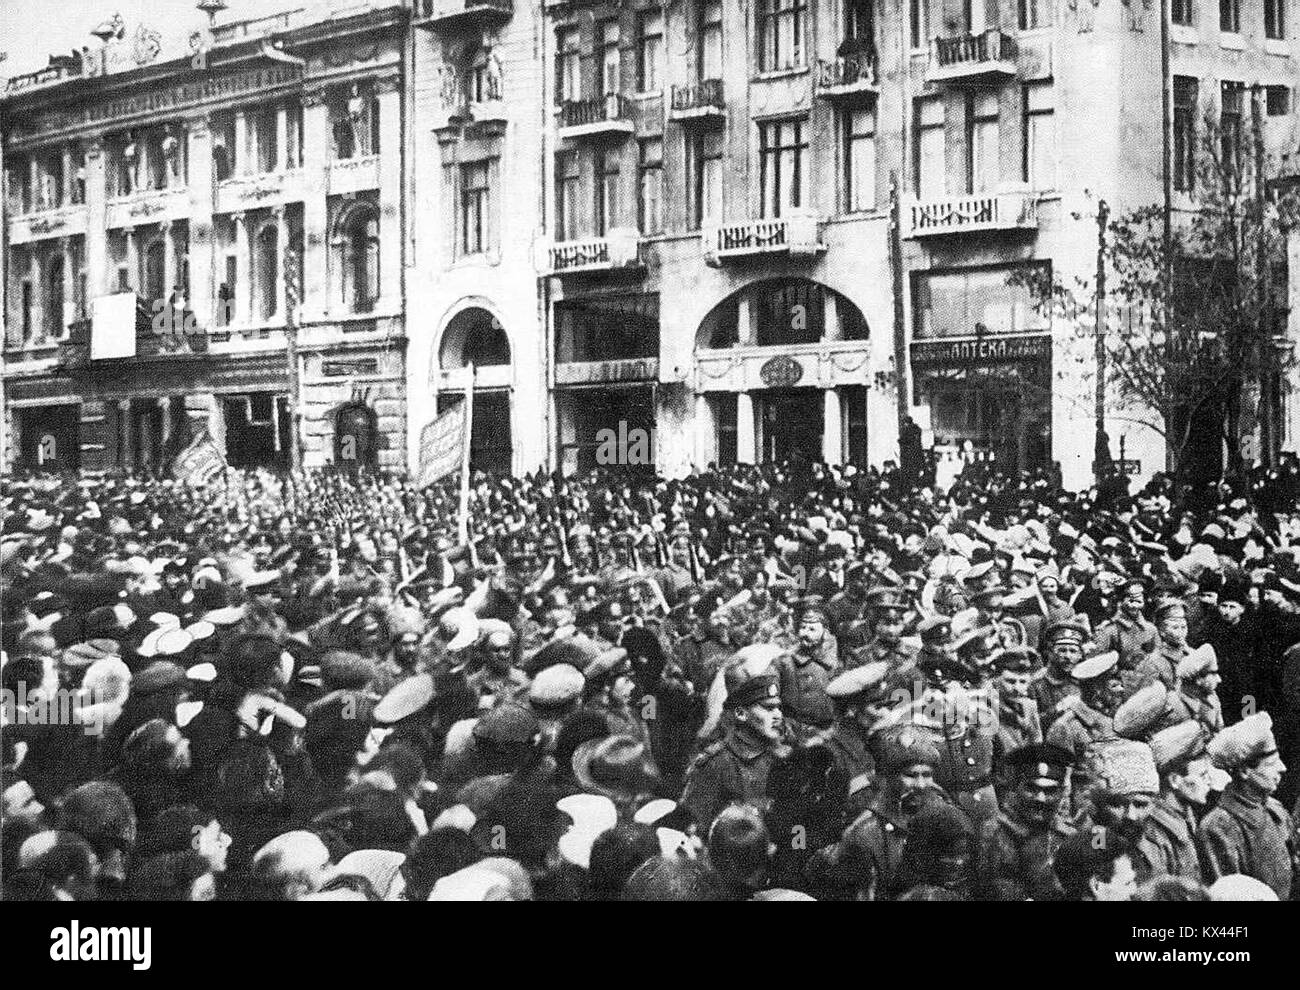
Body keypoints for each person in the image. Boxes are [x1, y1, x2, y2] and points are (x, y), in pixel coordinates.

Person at [680, 653, 786, 830]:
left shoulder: (785, 756)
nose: (778, 715)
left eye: (778, 707)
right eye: (768, 708)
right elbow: (694, 829)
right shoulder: (716, 764)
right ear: (740, 713)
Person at [1197, 712, 1296, 900]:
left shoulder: (1275, 810)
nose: (1282, 768)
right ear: (1244, 771)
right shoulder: (1218, 827)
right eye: (1272, 764)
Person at [976, 742, 1075, 901]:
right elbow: (1002, 892)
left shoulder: (1067, 833)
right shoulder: (998, 833)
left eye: (1050, 791)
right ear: (1016, 788)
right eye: (1032, 789)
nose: (1040, 799)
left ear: (1061, 793)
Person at [1138, 721, 1216, 883]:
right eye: (1202, 775)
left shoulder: (1186, 817)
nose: (1209, 781)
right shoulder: (1152, 833)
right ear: (1174, 780)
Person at [1053, 826, 1139, 901]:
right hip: (1067, 863)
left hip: (1064, 854)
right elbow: (1089, 860)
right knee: (1077, 891)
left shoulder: (1106, 832)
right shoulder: (1104, 848)